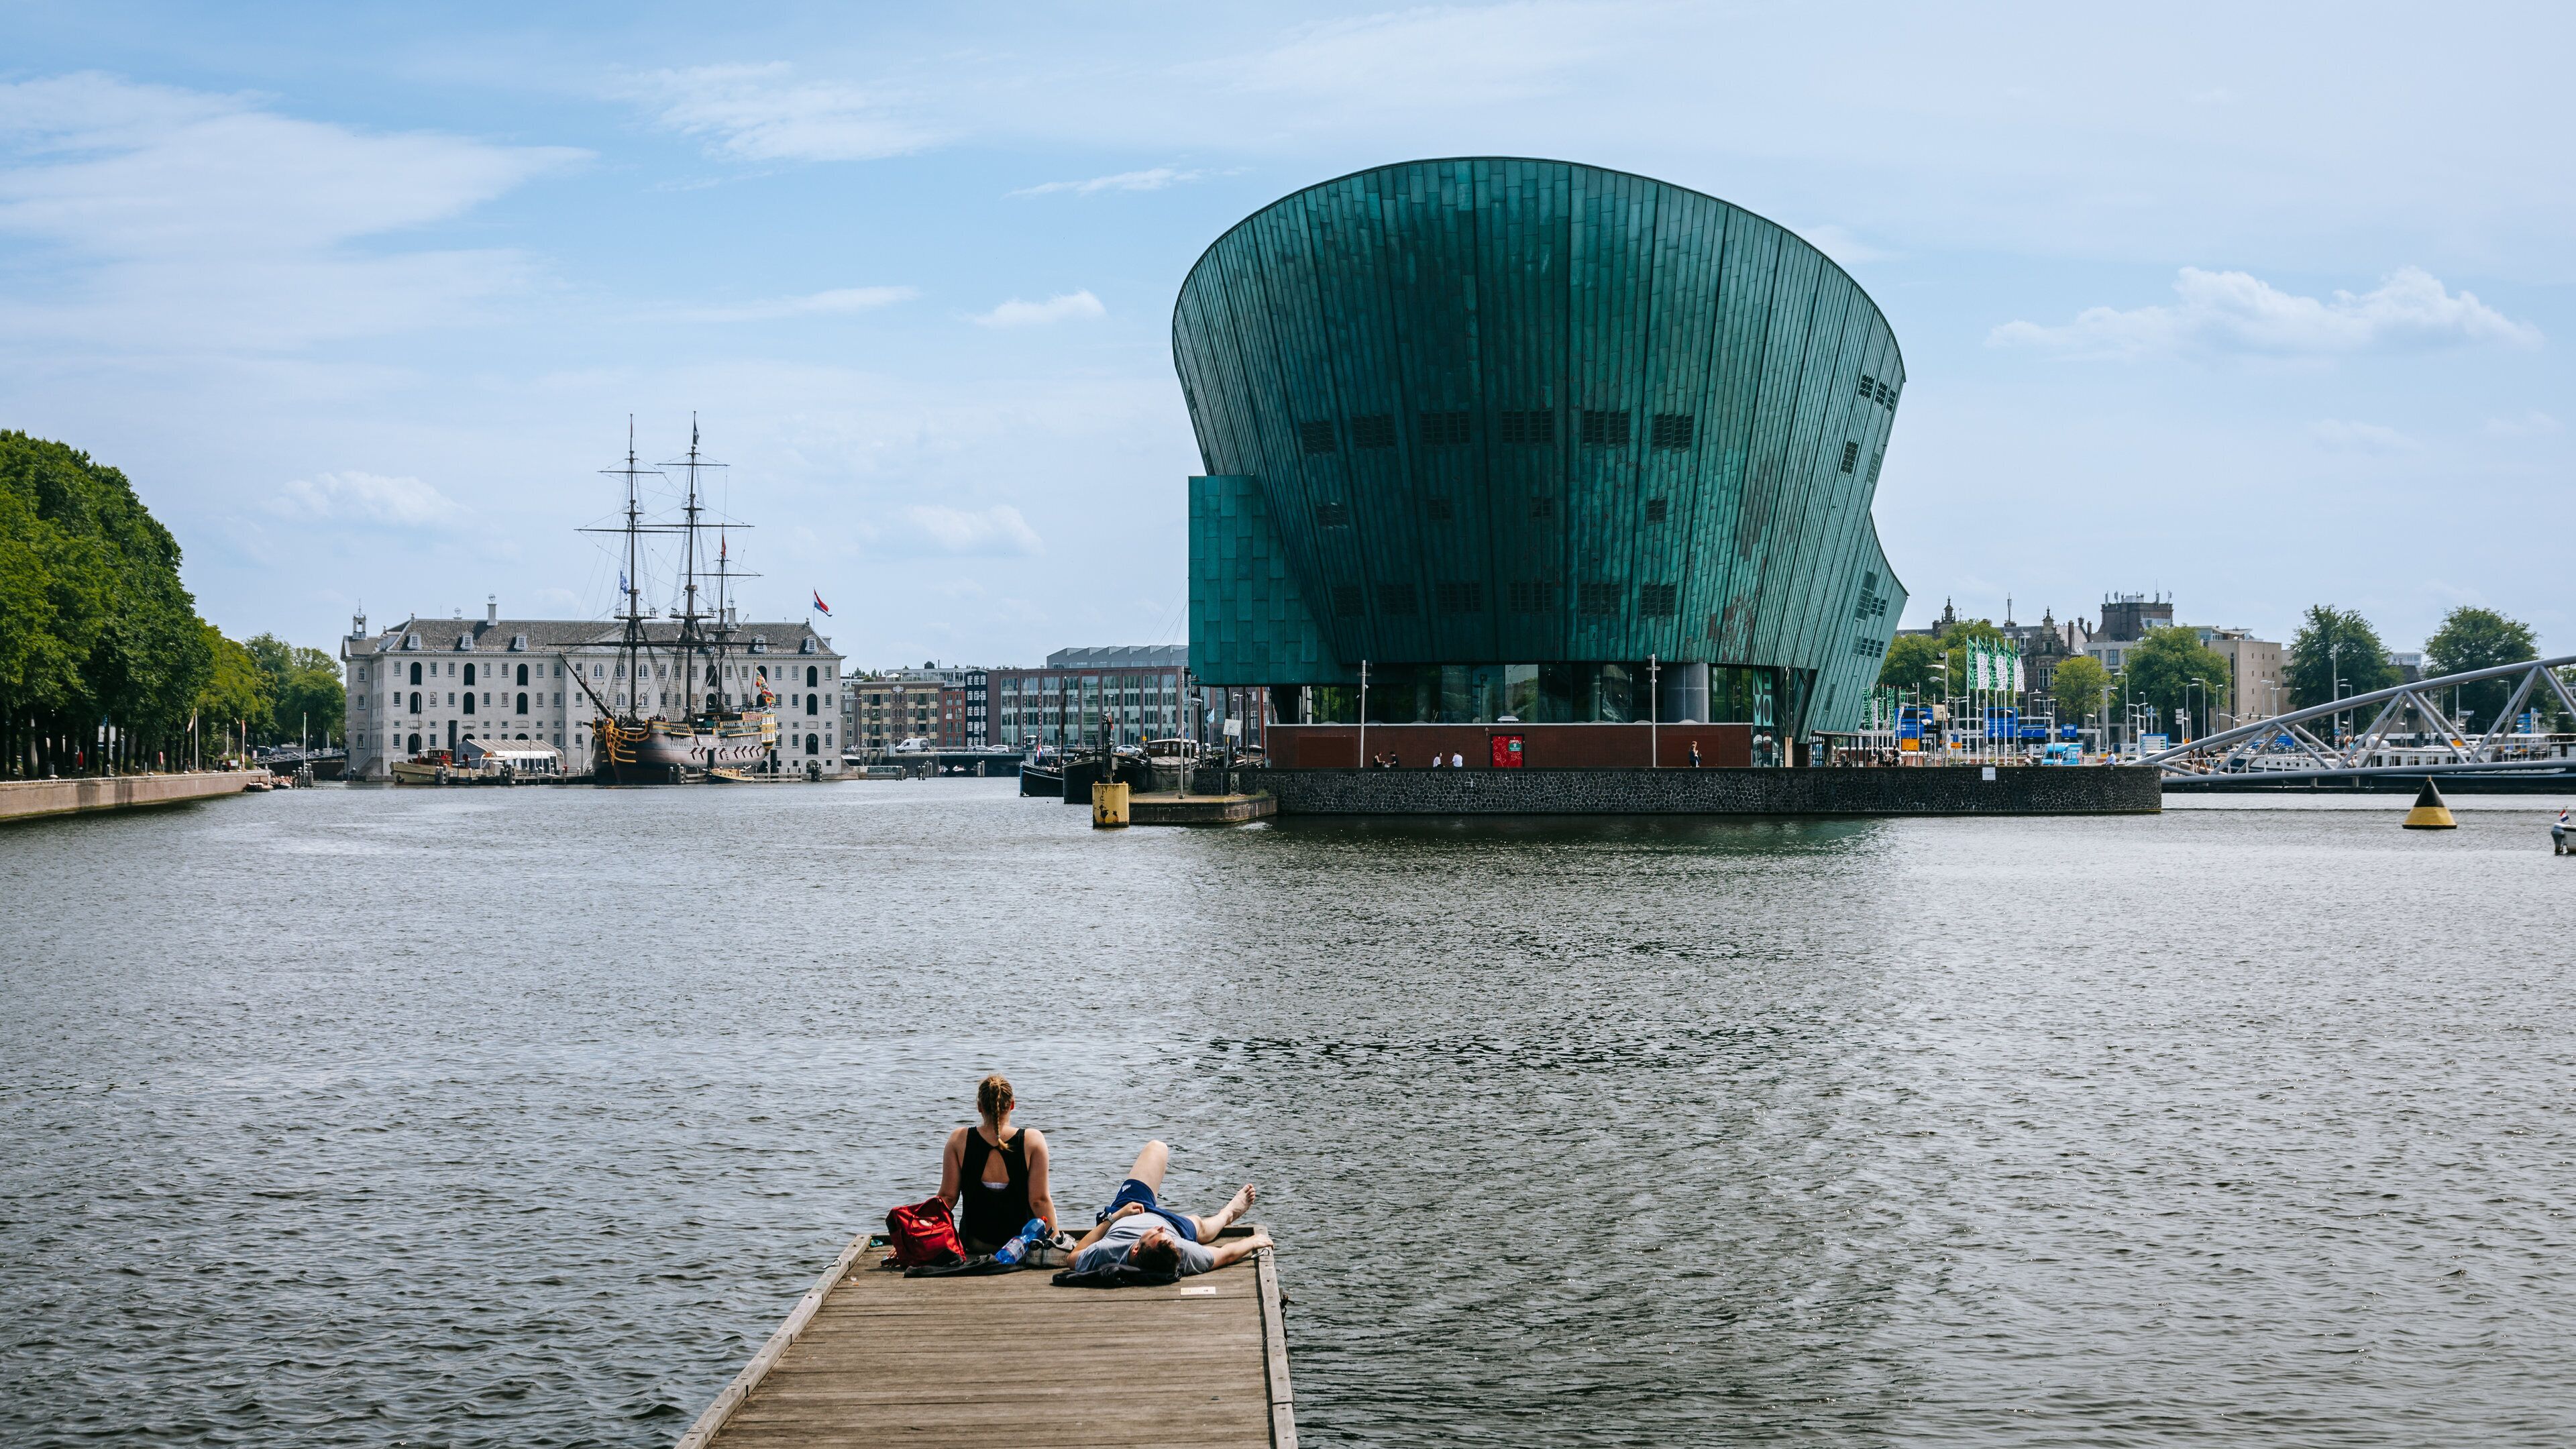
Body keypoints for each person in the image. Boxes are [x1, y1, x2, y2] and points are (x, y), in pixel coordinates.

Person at [1066, 1140, 1268, 1277]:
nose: (1160, 1229)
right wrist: (1252, 1241)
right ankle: (1228, 1213)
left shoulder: (1107, 1251)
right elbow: (1226, 1254)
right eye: (1166, 1237)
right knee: (1200, 1227)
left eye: (1157, 1234)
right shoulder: (1181, 1250)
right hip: (1175, 1226)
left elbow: (1073, 1257)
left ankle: (1221, 1216)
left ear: (1135, 1248)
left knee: (1157, 1147)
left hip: (1128, 1209)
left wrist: (1115, 1217)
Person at [938, 1074, 1057, 1254]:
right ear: (1012, 1105)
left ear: (979, 1107)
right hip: (1021, 1246)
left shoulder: (959, 1140)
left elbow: (947, 1198)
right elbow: (1039, 1201)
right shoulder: (1033, 1140)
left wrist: (917, 1233)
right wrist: (1056, 1240)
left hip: (976, 1243)